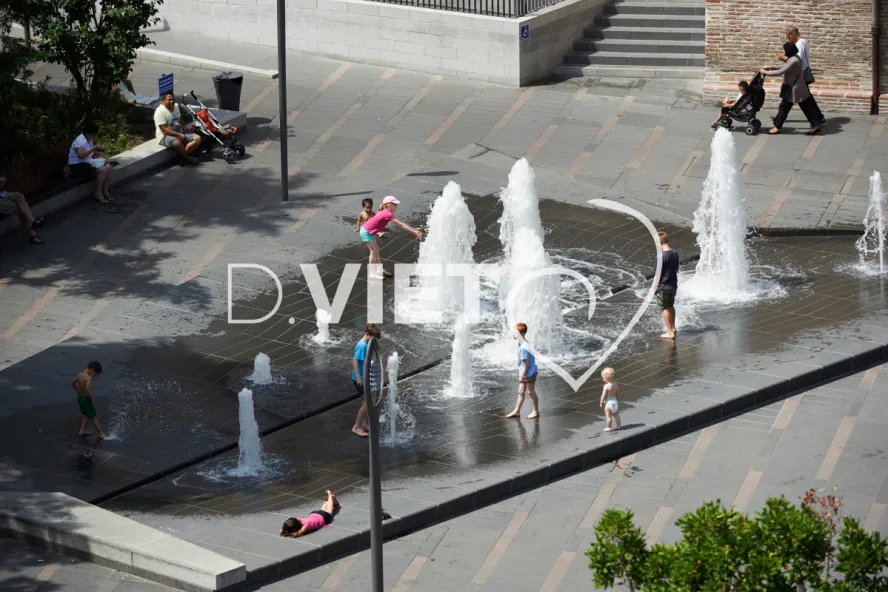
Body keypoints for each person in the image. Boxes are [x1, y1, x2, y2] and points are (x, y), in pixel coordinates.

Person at [760, 42, 824, 135]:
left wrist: (764, 72)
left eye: (784, 49)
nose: (783, 51)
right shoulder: (794, 58)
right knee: (804, 107)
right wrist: (770, 67)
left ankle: (777, 127)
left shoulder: (794, 60)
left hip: (794, 89)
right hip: (797, 88)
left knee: (784, 107)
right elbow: (783, 66)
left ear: (789, 50)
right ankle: (816, 125)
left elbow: (782, 71)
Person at [359, 196, 423, 278]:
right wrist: (413, 232)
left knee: (376, 250)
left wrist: (413, 229)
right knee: (373, 251)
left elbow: (401, 222)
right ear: (389, 205)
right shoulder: (387, 213)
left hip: (368, 231)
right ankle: (372, 273)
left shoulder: (387, 211)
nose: (397, 206)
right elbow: (400, 224)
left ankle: (379, 270)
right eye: (395, 204)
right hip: (366, 232)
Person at [780, 26, 826, 124]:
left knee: (795, 99)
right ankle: (819, 118)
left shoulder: (800, 44)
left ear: (793, 35)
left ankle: (779, 121)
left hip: (800, 74)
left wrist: (783, 58)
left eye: (788, 37)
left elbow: (796, 60)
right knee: (807, 98)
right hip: (803, 72)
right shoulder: (805, 41)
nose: (788, 40)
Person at [68, 122, 115, 204]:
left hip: (87, 163)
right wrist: (93, 149)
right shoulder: (80, 140)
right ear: (87, 133)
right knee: (103, 169)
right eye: (93, 135)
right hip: (77, 166)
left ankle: (105, 191)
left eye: (95, 135)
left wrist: (97, 153)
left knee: (109, 167)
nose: (94, 137)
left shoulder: (89, 140)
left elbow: (89, 154)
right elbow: (81, 155)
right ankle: (98, 193)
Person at [154, 91, 202, 165]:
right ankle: (188, 158)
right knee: (177, 143)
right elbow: (164, 129)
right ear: (163, 100)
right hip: (165, 135)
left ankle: (182, 156)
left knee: (198, 138)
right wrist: (178, 135)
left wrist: (184, 127)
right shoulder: (159, 111)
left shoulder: (176, 106)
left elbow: (180, 119)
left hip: (179, 131)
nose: (172, 101)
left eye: (173, 99)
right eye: (169, 100)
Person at [351, 323, 382, 437]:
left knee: (365, 403)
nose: (373, 341)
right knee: (367, 404)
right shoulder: (362, 346)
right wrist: (359, 378)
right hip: (360, 380)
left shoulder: (366, 344)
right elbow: (354, 361)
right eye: (372, 339)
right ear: (367, 334)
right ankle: (356, 426)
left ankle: (364, 424)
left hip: (364, 378)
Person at [506, 322, 540, 420]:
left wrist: (522, 376)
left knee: (531, 391)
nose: (514, 335)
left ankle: (536, 411)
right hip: (525, 372)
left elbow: (527, 364)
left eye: (516, 333)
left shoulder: (524, 347)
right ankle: (517, 411)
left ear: (522, 334)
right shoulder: (522, 343)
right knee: (520, 392)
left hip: (529, 373)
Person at [0, 176, 45, 244]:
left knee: (19, 196)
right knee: (20, 208)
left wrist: (2, 181)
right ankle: (33, 235)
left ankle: (33, 221)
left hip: (3, 195)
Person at [72, 361, 107, 438]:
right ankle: (101, 433)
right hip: (86, 399)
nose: (94, 376)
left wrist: (78, 392)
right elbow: (88, 388)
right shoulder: (89, 378)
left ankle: (82, 431)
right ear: (92, 370)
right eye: (95, 374)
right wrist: (92, 399)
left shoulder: (79, 374)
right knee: (94, 416)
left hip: (80, 398)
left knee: (85, 415)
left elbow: (73, 383)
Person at [656, 232, 678, 340]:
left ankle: (670, 332)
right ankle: (673, 328)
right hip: (673, 285)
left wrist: (654, 288)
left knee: (663, 307)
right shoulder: (674, 253)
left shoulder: (661, 256)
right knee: (670, 306)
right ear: (667, 240)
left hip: (663, 286)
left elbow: (657, 274)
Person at [599, 367, 621, 432]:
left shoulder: (606, 386)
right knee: (617, 415)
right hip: (614, 402)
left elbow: (603, 395)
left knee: (608, 416)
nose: (602, 379)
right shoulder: (616, 384)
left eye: (603, 378)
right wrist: (617, 398)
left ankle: (609, 427)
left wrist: (601, 402)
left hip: (608, 403)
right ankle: (619, 426)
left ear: (607, 378)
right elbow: (618, 393)